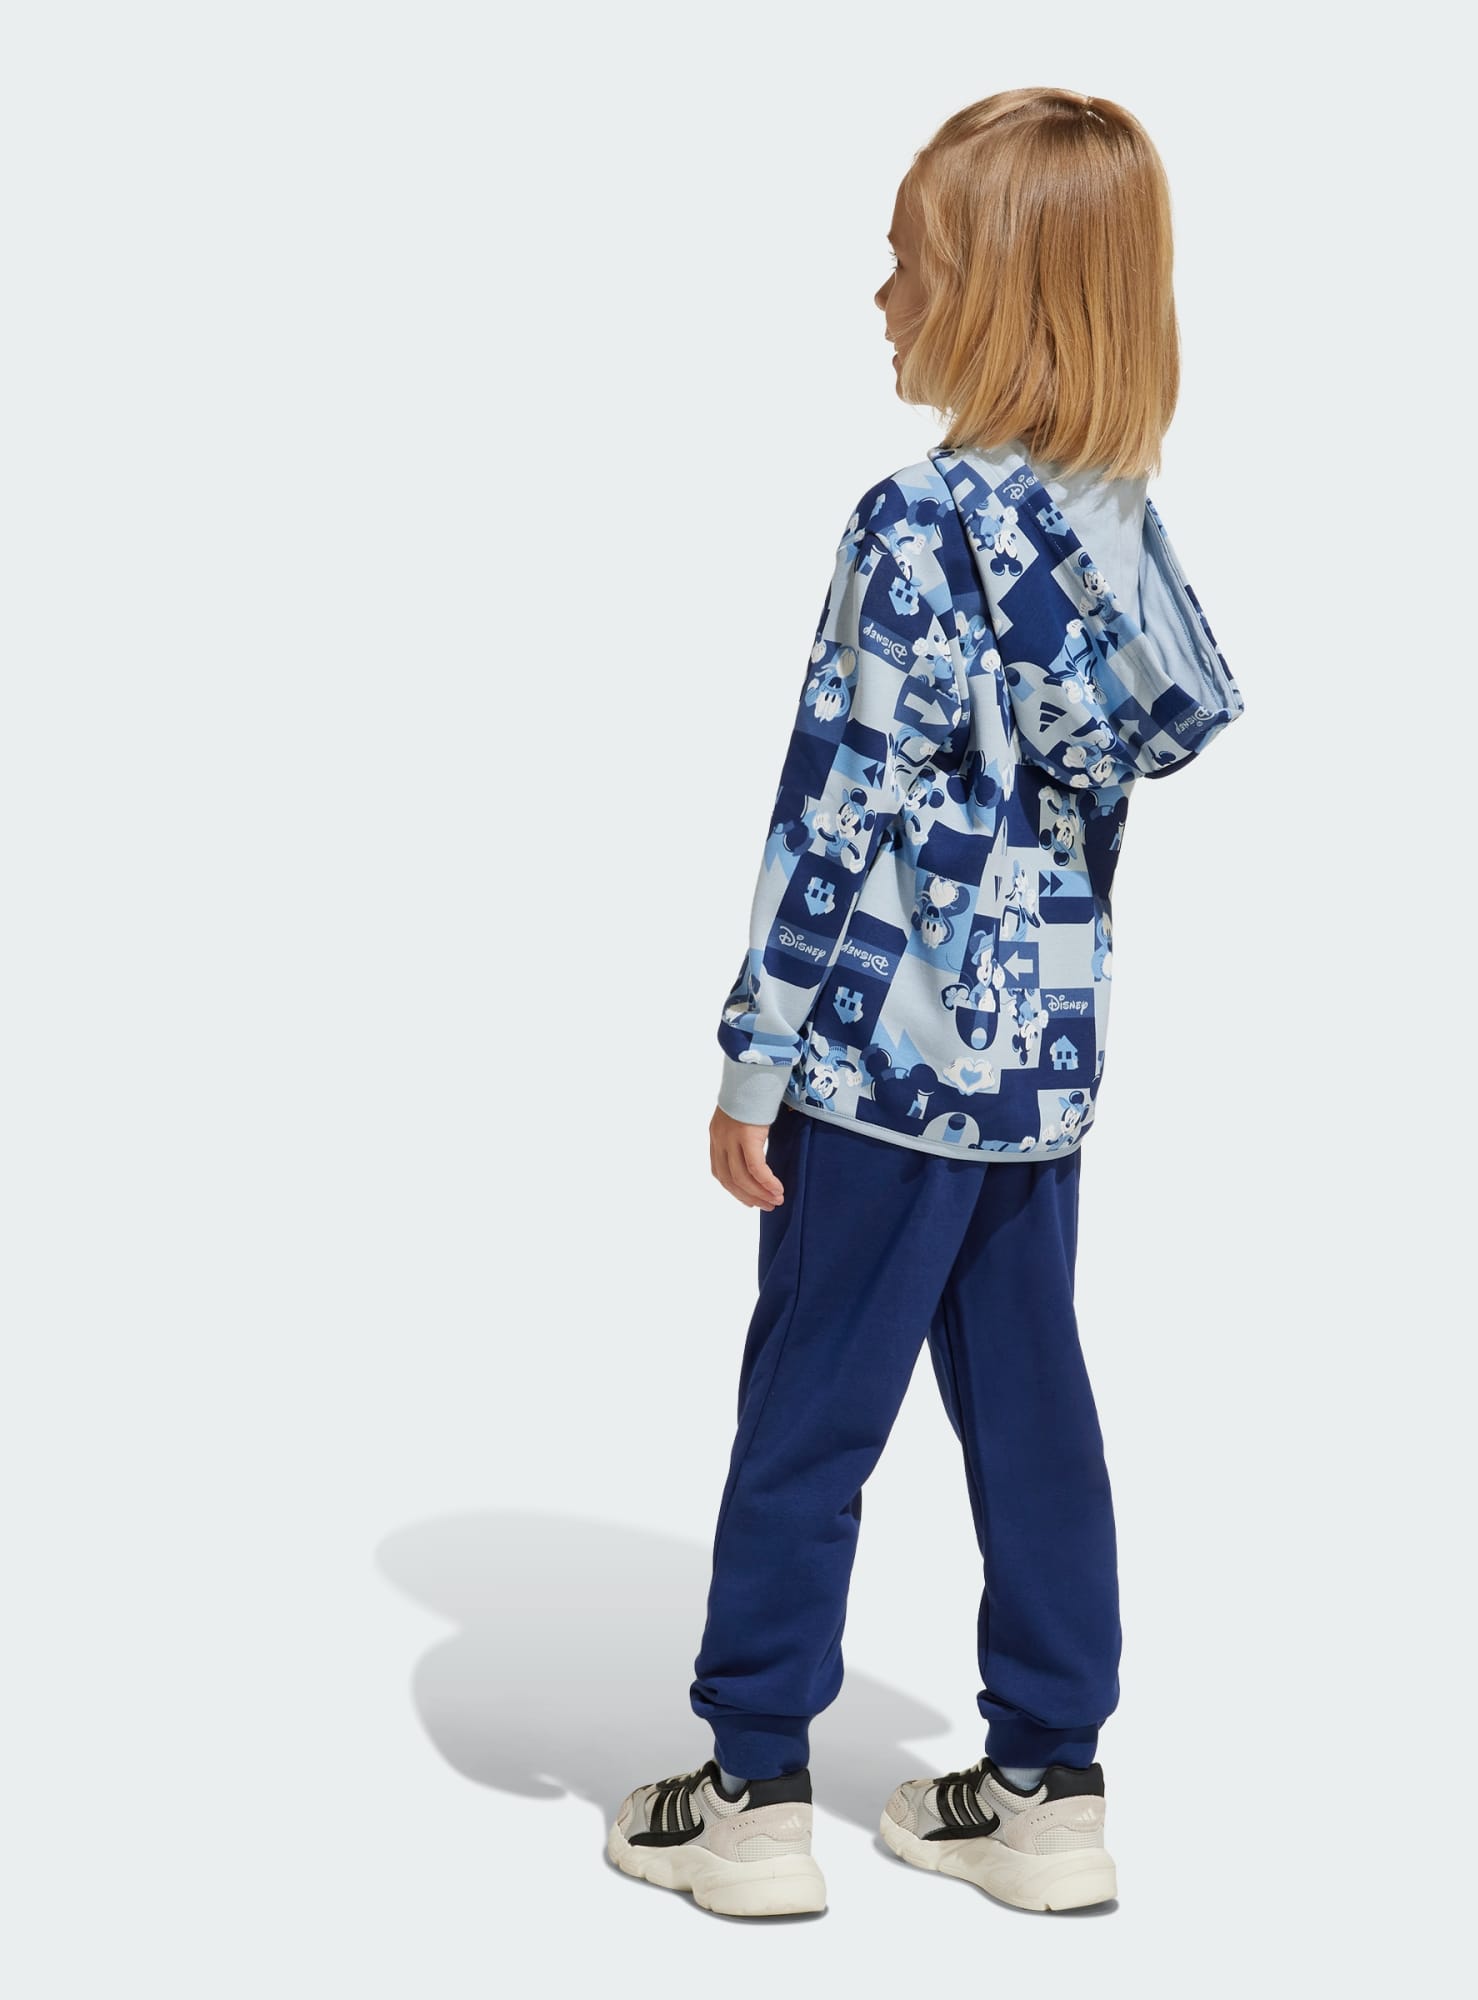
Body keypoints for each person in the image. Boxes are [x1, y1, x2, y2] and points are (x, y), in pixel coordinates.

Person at [609, 85, 1245, 1918]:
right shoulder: (1117, 534)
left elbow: (837, 808)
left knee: (810, 1414)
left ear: (994, 296)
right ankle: (1049, 1786)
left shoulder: (913, 527)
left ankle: (752, 1796)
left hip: (877, 1072)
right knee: (1034, 1414)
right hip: (1039, 1075)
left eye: (908, 262)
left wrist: (755, 1055)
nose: (880, 292)